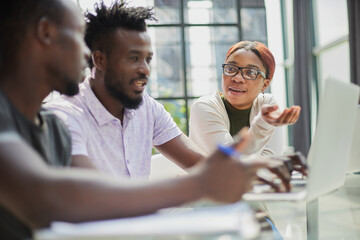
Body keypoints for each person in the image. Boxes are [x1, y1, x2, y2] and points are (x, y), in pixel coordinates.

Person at [0, 0, 288, 239]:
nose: (87, 52)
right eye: (78, 35)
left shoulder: (49, 126)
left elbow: (200, 165)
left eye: (148, 59)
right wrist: (198, 185)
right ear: (46, 33)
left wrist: (247, 173)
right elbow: (62, 199)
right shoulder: (58, 118)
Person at [44, 1, 204, 178]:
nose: (145, 69)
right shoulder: (64, 118)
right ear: (99, 60)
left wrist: (228, 163)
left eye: (147, 59)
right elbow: (98, 194)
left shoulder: (147, 108)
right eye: (134, 58)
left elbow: (201, 165)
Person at [190, 41, 301, 157]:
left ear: (265, 84)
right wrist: (262, 124)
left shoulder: (267, 104)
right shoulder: (203, 107)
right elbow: (232, 162)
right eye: (231, 69)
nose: (237, 78)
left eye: (250, 72)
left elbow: (272, 163)